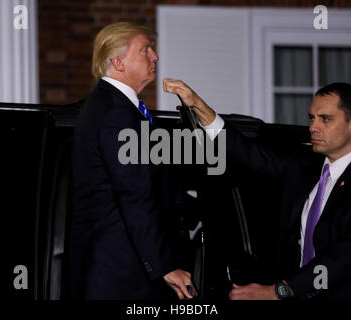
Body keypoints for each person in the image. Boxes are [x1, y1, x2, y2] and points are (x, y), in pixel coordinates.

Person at [163, 78, 351, 300]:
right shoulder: (305, 165)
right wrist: (199, 106)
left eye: (325, 119)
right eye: (312, 118)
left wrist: (279, 290)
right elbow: (248, 154)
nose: (313, 127)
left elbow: (343, 261)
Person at [69, 23, 195, 300]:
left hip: (114, 268)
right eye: (145, 50)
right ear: (118, 61)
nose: (155, 57)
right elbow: (135, 194)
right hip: (120, 274)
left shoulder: (113, 106)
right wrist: (163, 266)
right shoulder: (117, 113)